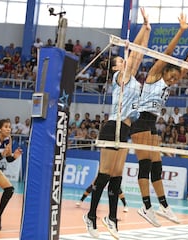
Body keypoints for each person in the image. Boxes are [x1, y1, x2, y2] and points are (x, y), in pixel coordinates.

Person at [130, 13, 188, 227]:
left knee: (157, 166)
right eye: (171, 76)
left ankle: (163, 205)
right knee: (145, 165)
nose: (173, 80)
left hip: (151, 123)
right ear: (166, 71)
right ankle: (146, 207)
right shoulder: (154, 75)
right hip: (140, 121)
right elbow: (168, 53)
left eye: (175, 78)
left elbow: (187, 67)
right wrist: (181, 31)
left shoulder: (171, 80)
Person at [82, 7, 151, 239]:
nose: (127, 61)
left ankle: (111, 217)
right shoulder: (120, 78)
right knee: (105, 173)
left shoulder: (132, 79)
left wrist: (146, 28)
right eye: (122, 60)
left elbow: (138, 54)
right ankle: (90, 215)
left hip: (126, 129)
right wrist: (140, 33)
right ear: (117, 67)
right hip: (113, 126)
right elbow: (135, 56)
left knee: (117, 175)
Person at [0, 119, 23, 231]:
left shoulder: (8, 139)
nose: (8, 129)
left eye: (9, 127)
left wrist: (14, 156)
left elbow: (8, 159)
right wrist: (0, 154)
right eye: (6, 127)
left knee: (9, 189)